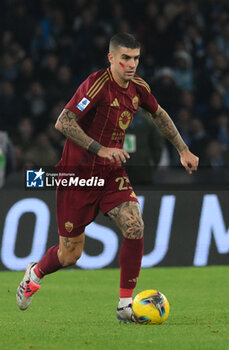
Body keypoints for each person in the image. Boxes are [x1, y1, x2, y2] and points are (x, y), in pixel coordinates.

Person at [16, 33, 199, 322]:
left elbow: (160, 115)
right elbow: (63, 121)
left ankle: (125, 306)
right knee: (70, 255)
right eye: (125, 58)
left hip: (111, 173)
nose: (131, 64)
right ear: (111, 58)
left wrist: (183, 150)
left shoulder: (138, 88)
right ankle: (35, 273)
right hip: (77, 176)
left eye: (136, 58)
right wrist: (100, 149)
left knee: (134, 225)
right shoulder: (97, 85)